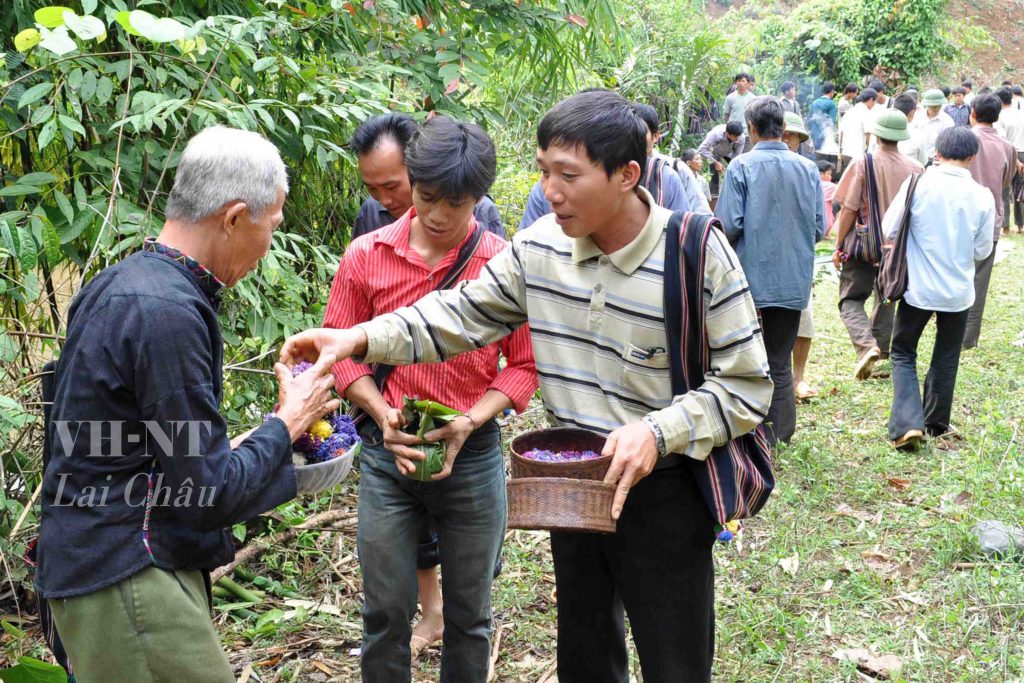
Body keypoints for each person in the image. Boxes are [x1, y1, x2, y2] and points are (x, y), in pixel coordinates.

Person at [282, 89, 773, 683]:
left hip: (665, 488)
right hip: (573, 482)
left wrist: (656, 430)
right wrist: (356, 340)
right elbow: (456, 316)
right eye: (544, 171)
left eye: (568, 175)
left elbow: (747, 386)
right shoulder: (537, 249)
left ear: (626, 175)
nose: (550, 191)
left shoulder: (695, 252)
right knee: (586, 658)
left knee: (675, 661)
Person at [35, 126, 340, 682]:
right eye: (271, 226)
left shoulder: (122, 282)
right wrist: (289, 420)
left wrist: (252, 444)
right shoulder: (166, 312)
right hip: (126, 572)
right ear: (234, 217)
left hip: (98, 560)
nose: (270, 241)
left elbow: (135, 446)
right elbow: (207, 495)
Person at [325, 116, 537, 681]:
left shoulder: (503, 264)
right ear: (411, 185)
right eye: (428, 198)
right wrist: (380, 413)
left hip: (472, 456)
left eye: (460, 203)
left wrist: (472, 419)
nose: (441, 216)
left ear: (480, 198)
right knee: (384, 613)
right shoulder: (365, 257)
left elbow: (523, 364)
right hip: (385, 458)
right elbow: (341, 351)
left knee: (471, 615)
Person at [716, 96, 825, 445]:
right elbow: (820, 226)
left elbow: (728, 225)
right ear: (783, 129)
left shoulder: (741, 167)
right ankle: (779, 436)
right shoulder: (807, 169)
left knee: (748, 359)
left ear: (751, 128)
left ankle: (750, 433)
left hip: (749, 282)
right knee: (779, 360)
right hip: (793, 280)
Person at [881, 127, 994, 450]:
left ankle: (907, 424)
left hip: (918, 288)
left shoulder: (919, 184)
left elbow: (891, 227)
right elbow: (983, 250)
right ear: (972, 157)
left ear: (938, 152)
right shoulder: (982, 196)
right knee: (946, 357)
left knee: (903, 352)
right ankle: (934, 423)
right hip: (958, 292)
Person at [832, 110, 923, 379]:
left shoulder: (863, 162)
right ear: (900, 137)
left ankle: (865, 346)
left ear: (877, 135)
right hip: (898, 249)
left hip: (864, 246)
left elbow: (848, 209)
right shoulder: (917, 169)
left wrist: (839, 245)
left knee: (850, 299)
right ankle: (881, 351)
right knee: (887, 297)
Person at [350, 113, 505, 240]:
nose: (384, 200)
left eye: (391, 186)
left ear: (415, 167)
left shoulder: (480, 210)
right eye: (372, 188)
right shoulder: (370, 213)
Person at [963, 93, 1016, 349]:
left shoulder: (963, 138)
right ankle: (969, 337)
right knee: (979, 282)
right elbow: (1006, 182)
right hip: (990, 219)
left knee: (953, 272)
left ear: (972, 112)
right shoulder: (1007, 147)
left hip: (959, 216)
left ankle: (949, 327)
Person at [781, 112, 821, 401]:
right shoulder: (747, 166)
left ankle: (798, 377)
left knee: (803, 318)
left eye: (791, 135)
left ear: (798, 140)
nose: (786, 139)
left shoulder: (809, 170)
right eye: (782, 133)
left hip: (796, 254)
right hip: (773, 255)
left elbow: (819, 223)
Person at [633, 102, 712, 215]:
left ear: (655, 136)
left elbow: (702, 213)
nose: (634, 138)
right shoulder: (616, 168)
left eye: (639, 132)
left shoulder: (675, 169)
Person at [996, 86, 1024, 234]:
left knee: (1004, 191)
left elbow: (1003, 141)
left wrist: (1015, 161)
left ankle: (1005, 227)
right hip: (1023, 153)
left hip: (1007, 154)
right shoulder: (1021, 113)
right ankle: (1021, 225)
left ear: (999, 100)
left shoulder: (999, 116)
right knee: (1020, 191)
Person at [697, 120, 746, 198]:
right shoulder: (716, 133)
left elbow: (737, 157)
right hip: (713, 153)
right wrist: (716, 162)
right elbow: (701, 150)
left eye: (738, 136)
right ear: (728, 134)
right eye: (735, 137)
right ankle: (713, 197)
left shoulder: (741, 138)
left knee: (737, 169)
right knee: (714, 176)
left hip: (729, 153)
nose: (738, 138)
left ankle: (735, 192)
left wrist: (731, 169)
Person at [838, 88, 877, 172]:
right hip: (857, 155)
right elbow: (868, 136)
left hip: (845, 153)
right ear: (870, 100)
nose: (875, 104)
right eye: (875, 101)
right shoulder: (866, 113)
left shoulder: (849, 112)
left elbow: (841, 133)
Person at [916, 89, 955, 163]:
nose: (936, 108)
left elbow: (950, 143)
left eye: (938, 106)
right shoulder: (917, 117)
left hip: (937, 160)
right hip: (918, 158)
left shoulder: (947, 121)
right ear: (927, 104)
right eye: (933, 106)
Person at [892, 93, 928, 167]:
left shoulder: (879, 130)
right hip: (908, 175)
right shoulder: (919, 136)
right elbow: (922, 162)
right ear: (912, 113)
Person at [807, 82, 839, 152]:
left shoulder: (814, 102)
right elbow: (832, 122)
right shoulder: (831, 104)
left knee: (816, 156)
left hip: (814, 136)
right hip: (825, 137)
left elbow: (809, 120)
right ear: (832, 91)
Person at [724, 72, 756, 136]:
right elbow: (726, 115)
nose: (741, 83)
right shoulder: (730, 98)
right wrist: (730, 126)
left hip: (747, 133)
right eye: (739, 81)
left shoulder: (753, 98)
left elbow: (755, 116)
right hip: (733, 133)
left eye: (743, 81)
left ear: (748, 83)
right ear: (735, 83)